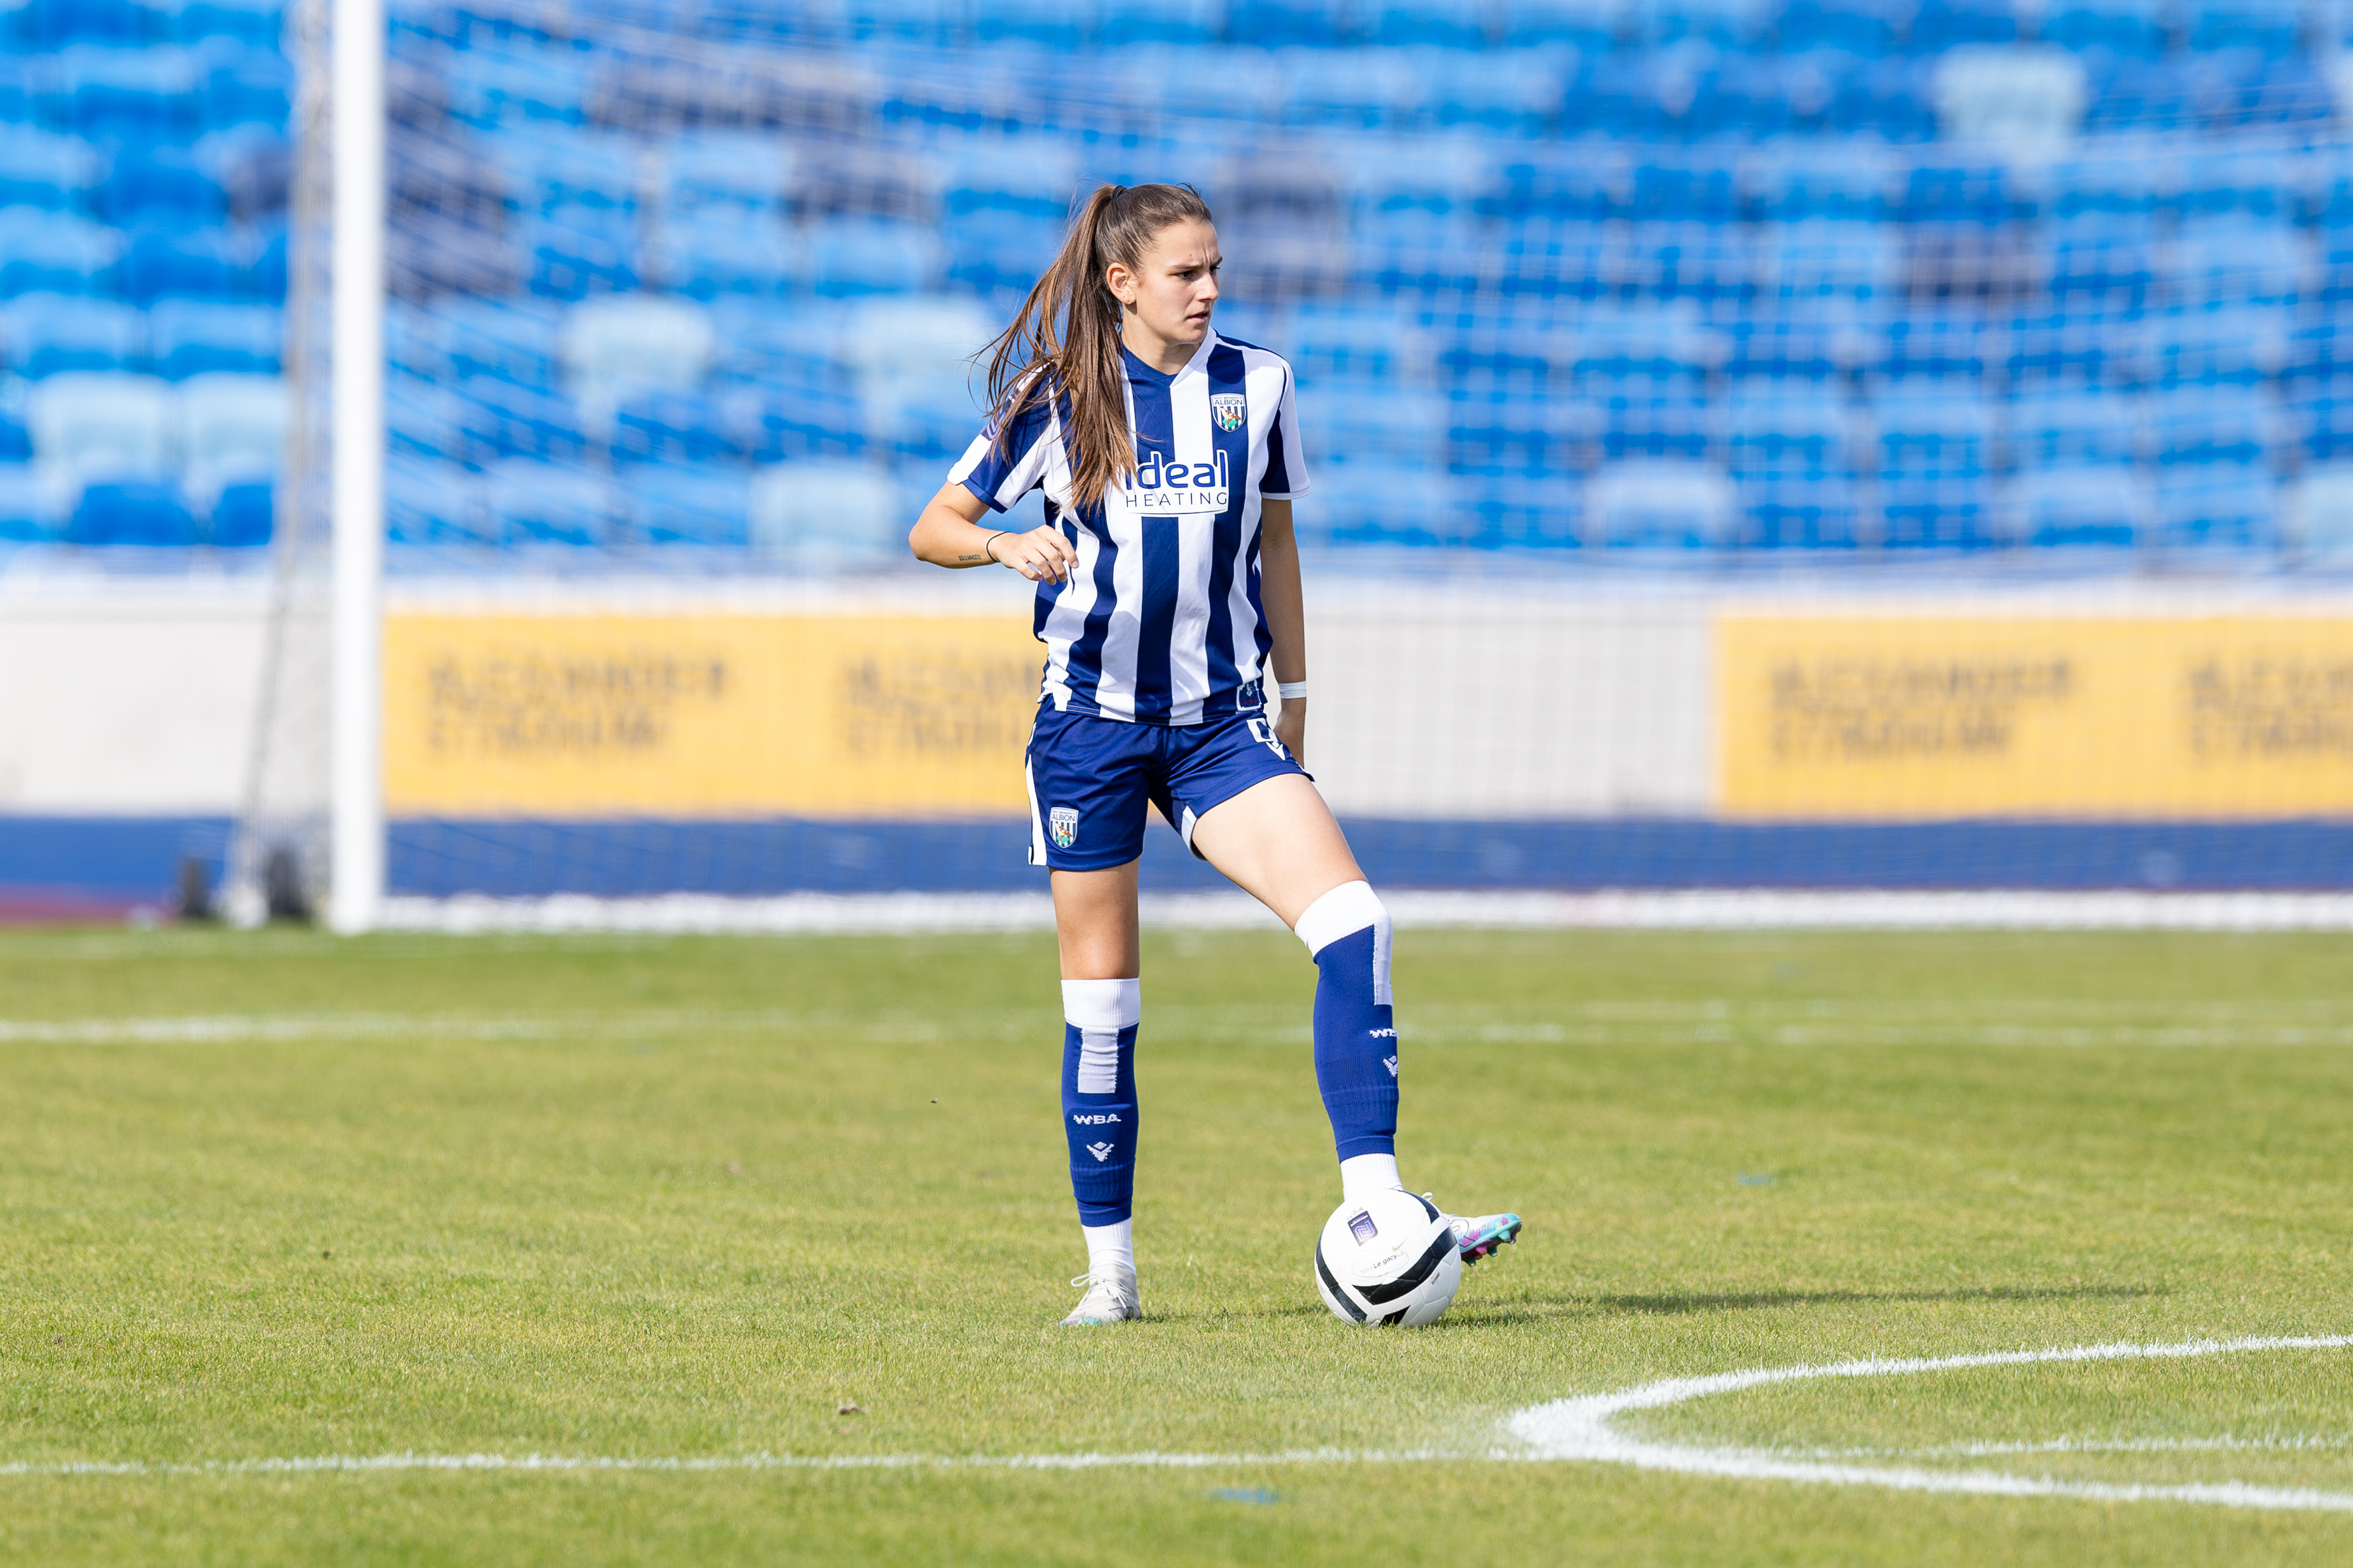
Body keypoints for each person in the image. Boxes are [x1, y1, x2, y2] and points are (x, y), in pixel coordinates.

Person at [909, 182, 1521, 1327]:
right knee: (1104, 1009)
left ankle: (1377, 1211)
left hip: (1217, 727)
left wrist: (1293, 694)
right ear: (1121, 282)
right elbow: (930, 525)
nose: (1208, 290)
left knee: (1356, 925)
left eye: (1216, 269)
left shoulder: (1262, 384)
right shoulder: (1056, 396)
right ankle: (1111, 1279)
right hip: (1087, 728)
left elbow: (1277, 543)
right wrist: (1001, 546)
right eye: (1185, 273)